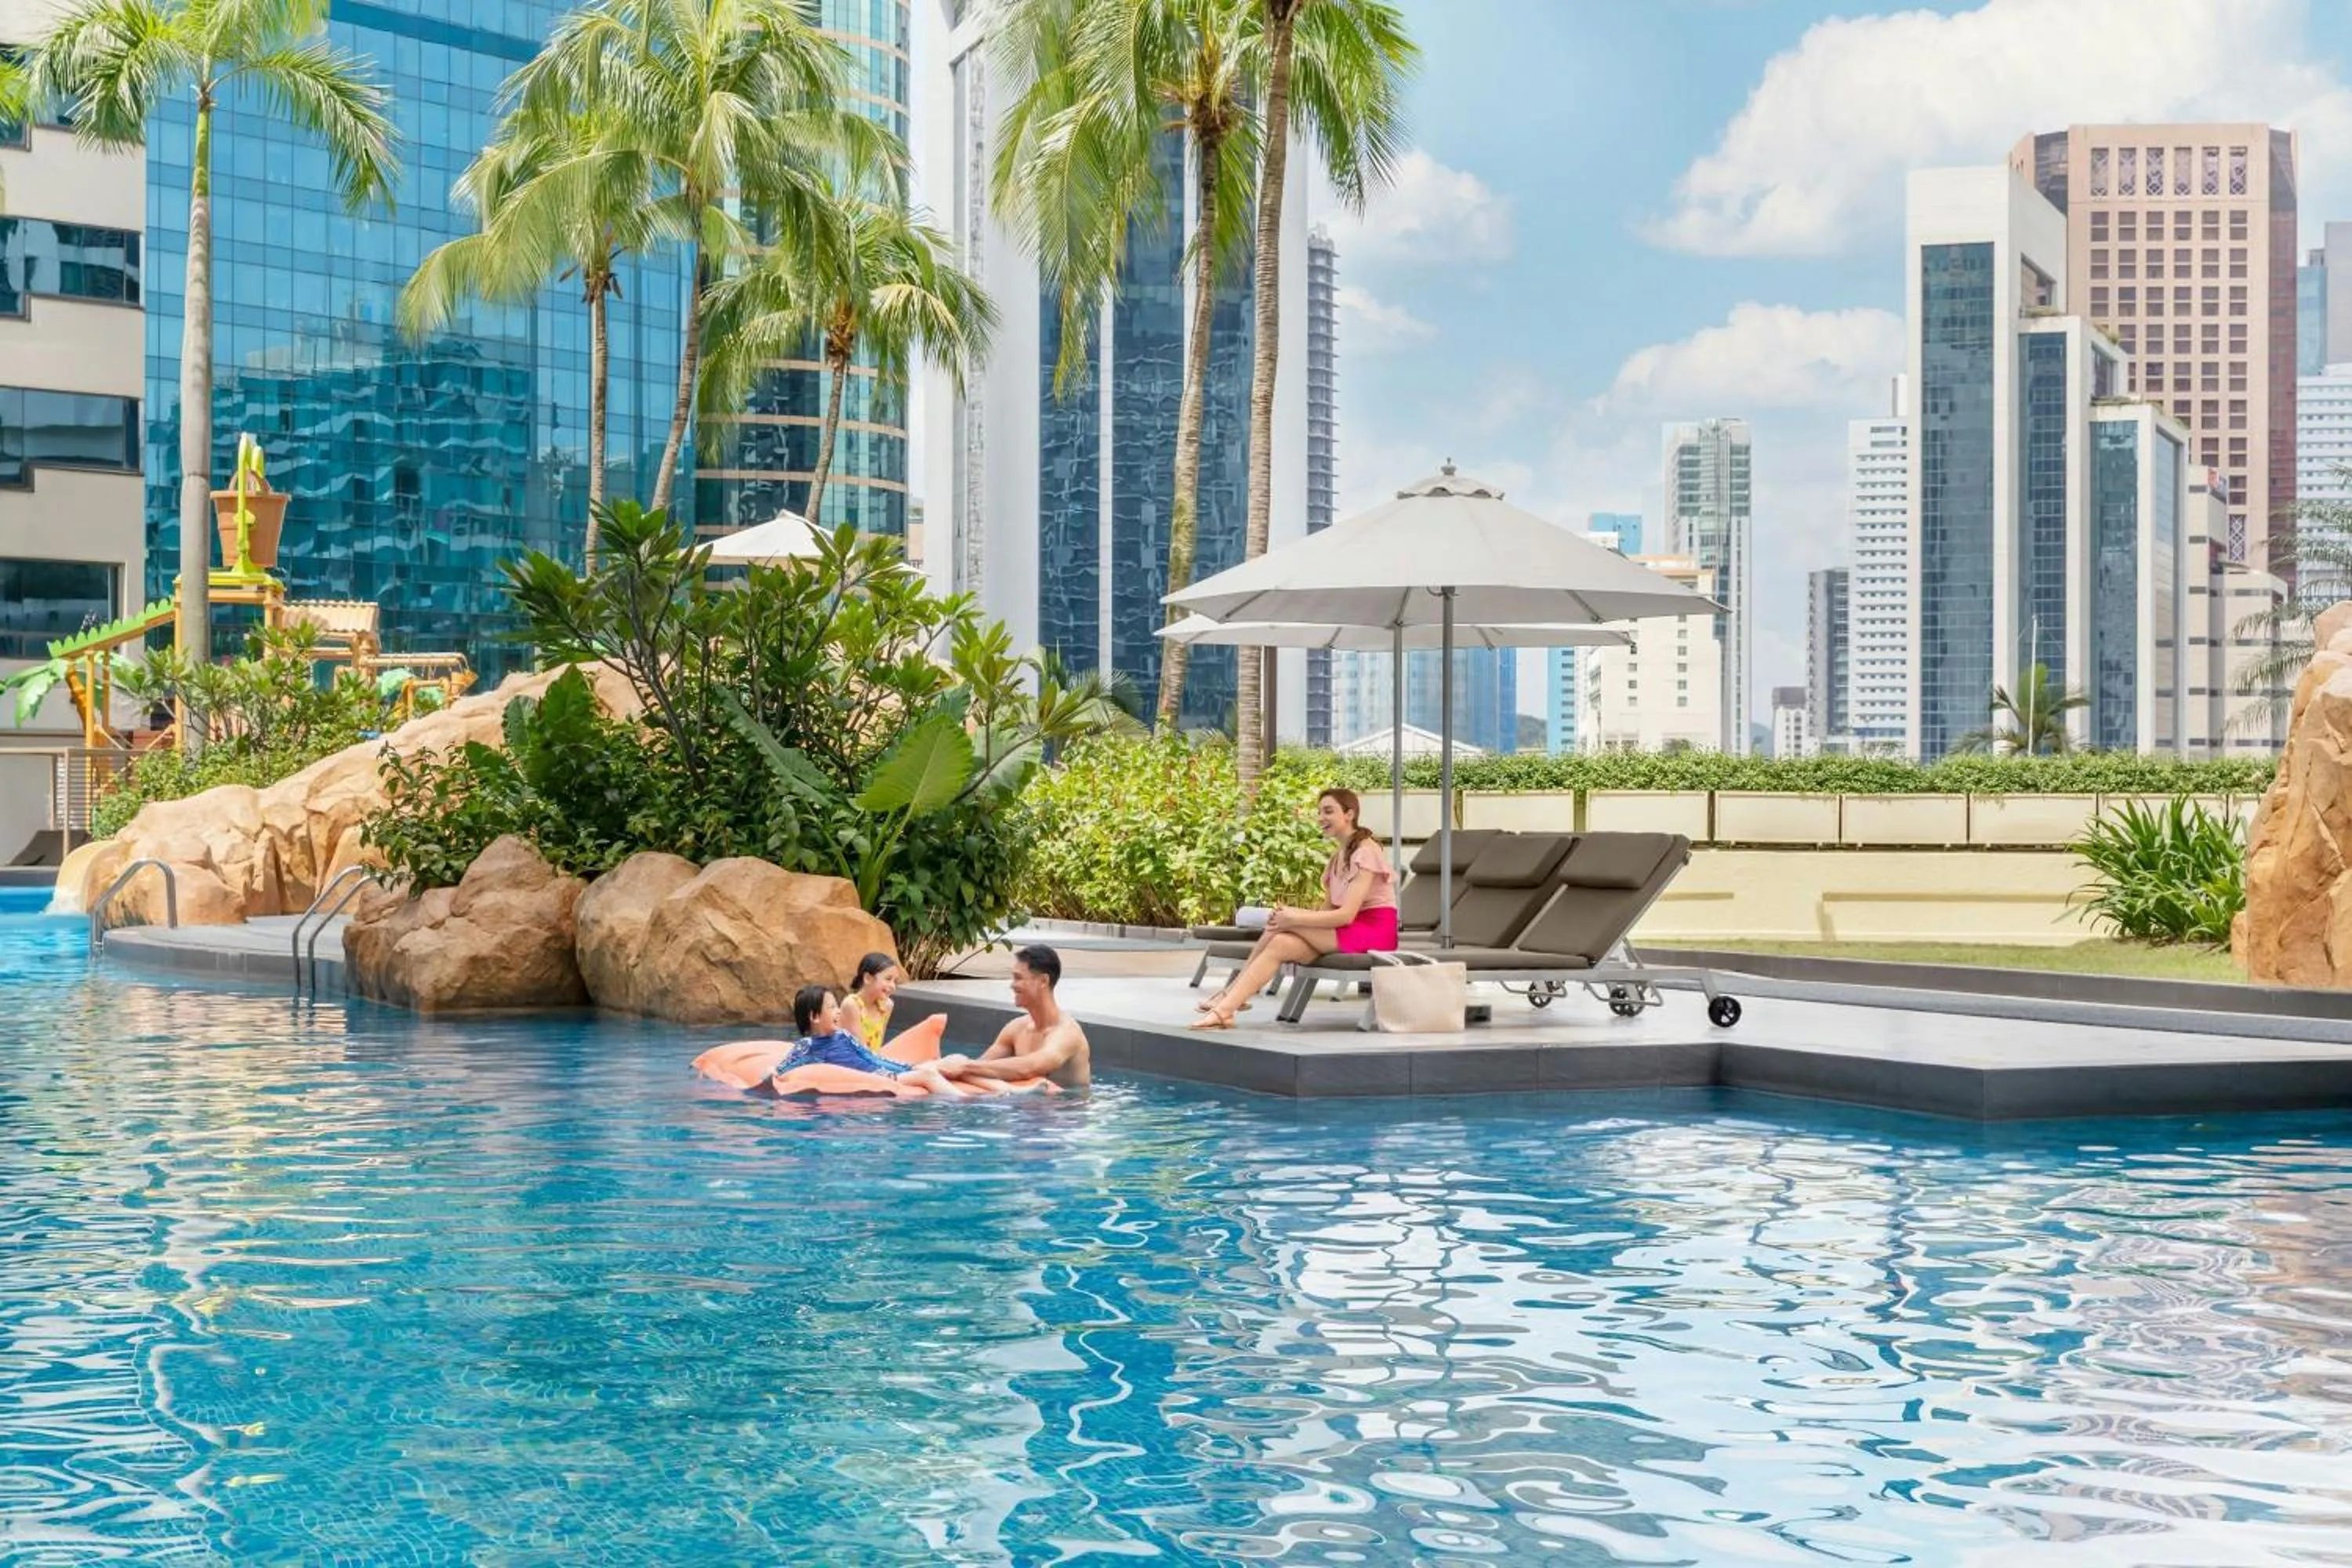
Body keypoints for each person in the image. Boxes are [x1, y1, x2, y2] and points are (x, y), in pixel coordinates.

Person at [1191, 788, 1394, 1030]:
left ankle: (1229, 996)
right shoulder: (1336, 858)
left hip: (1372, 930)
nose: (1321, 818)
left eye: (1329, 811)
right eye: (1319, 812)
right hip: (1345, 929)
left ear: (1350, 814)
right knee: (1280, 941)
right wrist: (1291, 915)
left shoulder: (1366, 852)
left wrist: (1294, 919)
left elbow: (1346, 915)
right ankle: (1227, 1009)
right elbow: (1325, 912)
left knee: (1279, 926)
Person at [775, 984, 973, 1098]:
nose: (838, 1011)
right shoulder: (807, 1046)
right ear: (815, 1017)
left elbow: (869, 1057)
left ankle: (992, 1088)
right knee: (928, 1075)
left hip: (885, 1071)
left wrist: (907, 1068)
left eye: (837, 1006)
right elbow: (782, 1069)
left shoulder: (843, 1036)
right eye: (832, 1007)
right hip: (877, 1079)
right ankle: (966, 1104)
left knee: (954, 1061)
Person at [953, 945, 1091, 1090]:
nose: (1012, 985)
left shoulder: (1067, 1033)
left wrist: (964, 1066)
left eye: (1018, 978)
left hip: (1066, 1109)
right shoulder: (1016, 1029)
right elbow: (981, 1066)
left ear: (1043, 981)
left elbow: (1031, 1068)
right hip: (1026, 1107)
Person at [839, 952, 901, 1054]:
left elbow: (879, 1045)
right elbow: (860, 1050)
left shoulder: (886, 1006)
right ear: (868, 978)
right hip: (850, 1064)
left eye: (895, 981)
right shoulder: (852, 1005)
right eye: (888, 979)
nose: (893, 986)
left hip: (871, 1062)